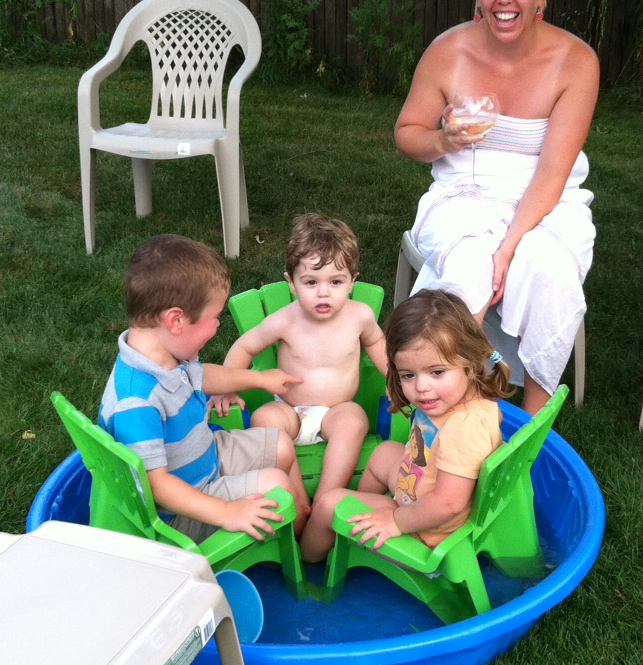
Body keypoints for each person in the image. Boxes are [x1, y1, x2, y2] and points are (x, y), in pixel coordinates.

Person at [394, 0, 599, 414]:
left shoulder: (576, 61)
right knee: (471, 264)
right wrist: (443, 139)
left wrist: (508, 248)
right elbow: (407, 133)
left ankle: (530, 425)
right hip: (463, 192)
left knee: (548, 270)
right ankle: (446, 408)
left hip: (547, 198)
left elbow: (553, 173)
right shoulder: (448, 51)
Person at [98, 233, 311, 543]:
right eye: (214, 317)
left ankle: (301, 518)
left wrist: (260, 379)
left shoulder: (164, 355)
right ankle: (303, 548)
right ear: (176, 320)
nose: (218, 325)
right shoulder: (136, 402)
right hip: (182, 513)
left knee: (281, 444)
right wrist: (227, 512)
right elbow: (157, 486)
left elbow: (203, 376)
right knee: (277, 487)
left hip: (204, 459)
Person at [300, 289, 513, 563]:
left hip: (425, 532)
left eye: (437, 372)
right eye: (408, 375)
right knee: (384, 453)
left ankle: (308, 564)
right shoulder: (464, 396)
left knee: (328, 505)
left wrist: (396, 521)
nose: (421, 387)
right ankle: (352, 527)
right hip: (418, 491)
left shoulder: (465, 426)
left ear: (469, 365)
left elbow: (448, 503)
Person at [220, 214, 388, 500]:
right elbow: (245, 347)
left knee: (354, 421)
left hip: (337, 411)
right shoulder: (285, 320)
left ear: (352, 282)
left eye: (336, 282)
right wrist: (228, 387)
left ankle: (327, 496)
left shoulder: (360, 316)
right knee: (263, 418)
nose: (323, 293)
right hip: (289, 410)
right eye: (311, 282)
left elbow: (377, 343)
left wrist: (395, 380)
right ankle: (296, 497)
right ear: (291, 283)